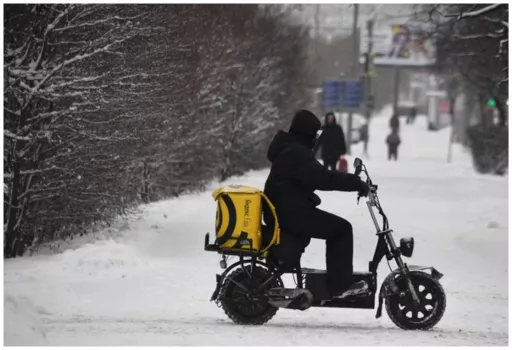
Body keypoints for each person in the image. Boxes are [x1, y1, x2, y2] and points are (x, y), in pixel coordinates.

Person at [263, 109, 370, 299]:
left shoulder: (289, 148)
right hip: (291, 213)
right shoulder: (296, 152)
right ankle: (340, 286)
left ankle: (336, 284)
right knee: (341, 229)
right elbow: (323, 178)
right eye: (315, 133)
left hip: (286, 210)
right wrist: (355, 183)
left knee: (335, 227)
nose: (316, 138)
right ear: (308, 133)